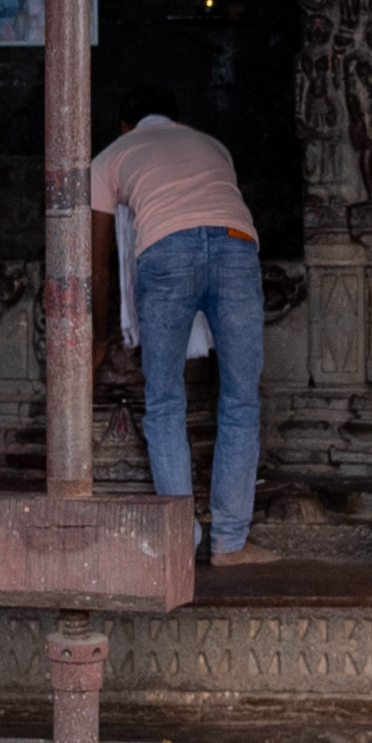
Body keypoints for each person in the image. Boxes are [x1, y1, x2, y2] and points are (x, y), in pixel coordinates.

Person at [82, 100, 264, 561]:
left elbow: (97, 266)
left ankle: (182, 544)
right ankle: (230, 543)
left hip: (165, 252)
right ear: (179, 121)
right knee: (241, 400)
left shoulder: (111, 156)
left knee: (164, 402)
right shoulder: (212, 145)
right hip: (237, 245)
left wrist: (100, 340)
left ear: (125, 125)